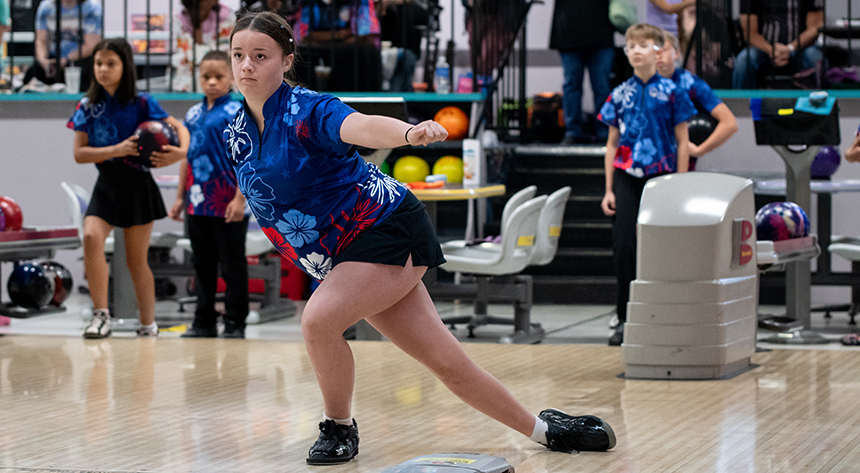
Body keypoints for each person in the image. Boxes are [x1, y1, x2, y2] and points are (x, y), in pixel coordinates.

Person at [226, 11, 616, 465]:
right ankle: (547, 430)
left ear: (287, 61)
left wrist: (409, 132)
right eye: (239, 55)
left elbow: (361, 125)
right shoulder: (236, 130)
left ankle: (339, 428)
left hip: (385, 229)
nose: (247, 66)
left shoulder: (309, 109)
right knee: (448, 363)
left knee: (318, 321)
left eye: (260, 56)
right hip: (341, 254)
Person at [68, 38, 190, 339]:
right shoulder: (87, 105)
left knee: (136, 260)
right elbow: (79, 154)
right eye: (98, 63)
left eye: (111, 63)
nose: (103, 69)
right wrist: (117, 149)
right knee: (91, 237)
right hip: (106, 183)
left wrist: (180, 152)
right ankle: (101, 315)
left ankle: (148, 324)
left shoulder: (143, 102)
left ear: (125, 67)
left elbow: (180, 129)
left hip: (137, 185)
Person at [598, 24, 696, 346]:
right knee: (624, 245)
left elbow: (683, 141)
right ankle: (625, 317)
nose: (637, 50)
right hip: (627, 174)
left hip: (662, 176)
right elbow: (611, 144)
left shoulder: (672, 92)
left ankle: (668, 313)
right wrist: (609, 188)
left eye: (644, 45)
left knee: (663, 246)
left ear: (657, 50)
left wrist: (679, 185)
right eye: (631, 46)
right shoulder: (619, 94)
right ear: (626, 52)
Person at [167, 50, 249, 339]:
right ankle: (203, 320)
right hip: (197, 204)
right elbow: (186, 158)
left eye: (219, 76)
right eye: (206, 77)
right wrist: (180, 197)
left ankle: (236, 320)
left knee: (232, 264)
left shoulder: (238, 112)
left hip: (227, 203)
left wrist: (240, 199)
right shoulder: (192, 114)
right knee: (201, 264)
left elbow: (246, 159)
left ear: (231, 78)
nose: (212, 82)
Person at [656, 31, 737, 170]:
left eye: (664, 50)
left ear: (676, 53)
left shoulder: (691, 84)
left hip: (680, 165)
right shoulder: (640, 87)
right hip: (648, 164)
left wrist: (700, 150)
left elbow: (730, 123)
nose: (659, 57)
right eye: (655, 52)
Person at [549, 0, 616, 144]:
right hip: (568, 31)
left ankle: (604, 131)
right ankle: (572, 131)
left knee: (601, 86)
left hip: (600, 30)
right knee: (572, 84)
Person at [732, 0, 824, 89]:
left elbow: (815, 26)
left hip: (800, 51)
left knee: (815, 57)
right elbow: (749, 33)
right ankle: (742, 104)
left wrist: (790, 48)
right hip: (764, 51)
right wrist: (772, 50)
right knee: (744, 60)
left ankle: (821, 102)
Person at [22, 0, 102, 91]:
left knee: (84, 73)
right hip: (52, 59)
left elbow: (91, 45)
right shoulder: (46, 7)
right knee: (32, 74)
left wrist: (67, 59)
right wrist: (43, 60)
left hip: (79, 60)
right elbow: (41, 41)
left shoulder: (92, 7)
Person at [171, 0, 236, 92]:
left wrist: (199, 53)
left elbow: (225, 49)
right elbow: (183, 52)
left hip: (218, 66)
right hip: (189, 72)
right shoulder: (180, 17)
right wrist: (197, 25)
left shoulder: (226, 15)